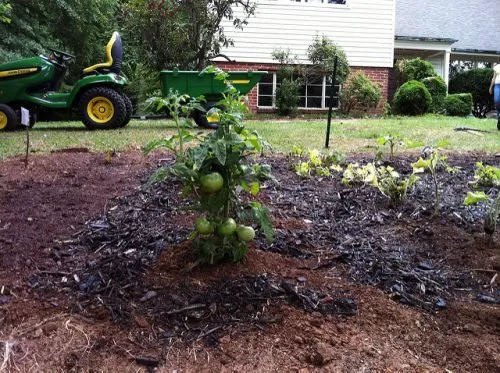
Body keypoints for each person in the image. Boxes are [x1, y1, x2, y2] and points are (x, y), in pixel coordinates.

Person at [488, 62, 500, 130]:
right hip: (497, 86)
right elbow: (493, 78)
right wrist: (490, 87)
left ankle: (499, 121)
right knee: (497, 100)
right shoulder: (497, 67)